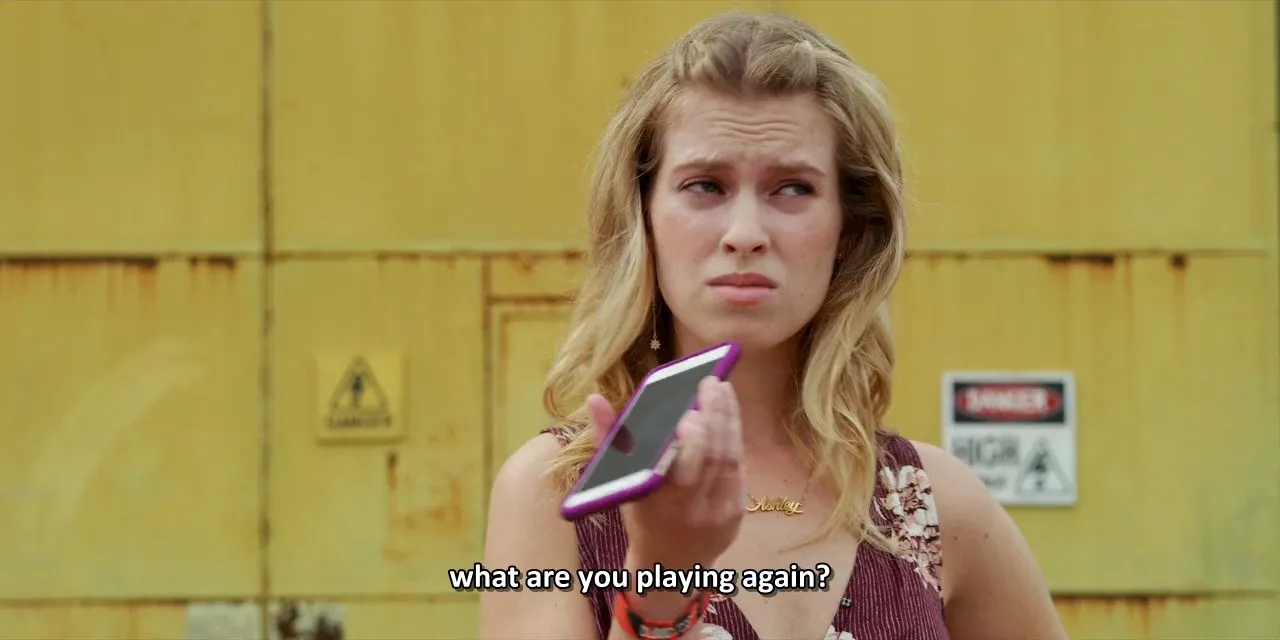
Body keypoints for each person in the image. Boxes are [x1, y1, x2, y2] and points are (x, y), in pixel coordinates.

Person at [481, 11, 1067, 640]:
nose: (745, 234)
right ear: (642, 217)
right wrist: (662, 571)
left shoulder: (935, 504)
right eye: (705, 185)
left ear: (850, 228)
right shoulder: (556, 495)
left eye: (792, 188)